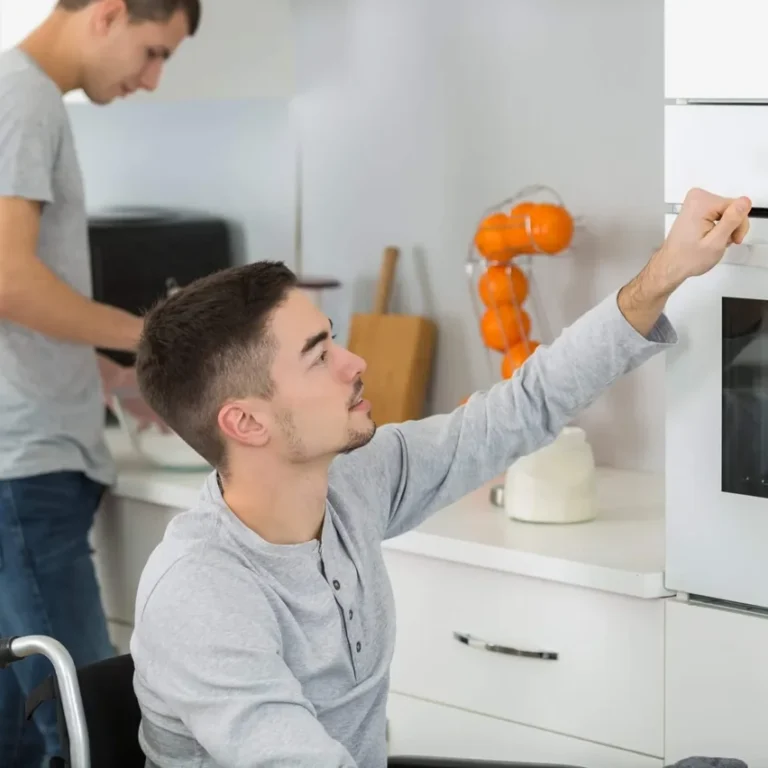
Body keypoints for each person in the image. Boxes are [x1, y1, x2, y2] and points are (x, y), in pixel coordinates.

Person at [130, 187, 751, 768]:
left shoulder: (352, 483)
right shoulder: (201, 596)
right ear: (245, 422)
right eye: (319, 356)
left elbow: (518, 411)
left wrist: (663, 273)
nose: (355, 363)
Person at [0, 1, 201, 765]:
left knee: (22, 729)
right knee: (94, 730)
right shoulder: (22, 97)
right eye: (152, 52)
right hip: (28, 469)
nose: (149, 79)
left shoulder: (22, 94)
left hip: (25, 459)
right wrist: (158, 336)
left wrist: (108, 372)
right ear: (108, 13)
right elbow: (9, 280)